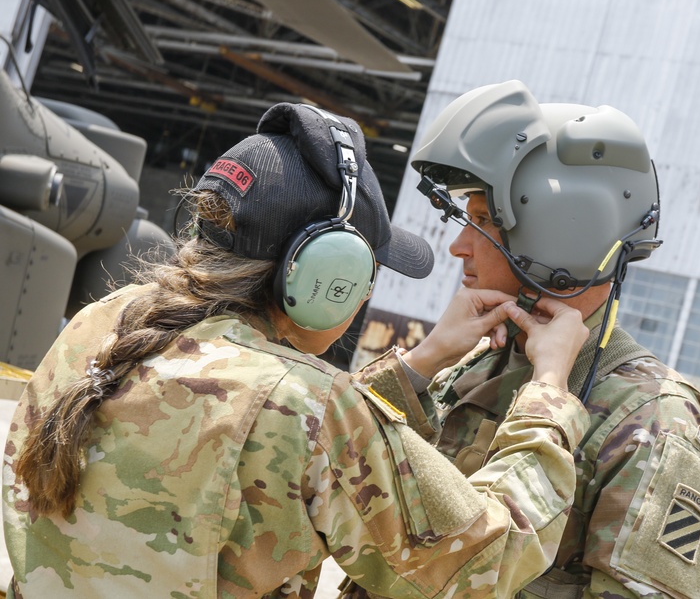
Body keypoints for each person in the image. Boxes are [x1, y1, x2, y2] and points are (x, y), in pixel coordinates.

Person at [1, 102, 592, 598]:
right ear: (325, 275)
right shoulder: (307, 405)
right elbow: (489, 559)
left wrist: (421, 362)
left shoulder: (106, 320)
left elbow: (282, 444)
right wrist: (550, 389)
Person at [345, 80, 700, 599]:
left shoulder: (656, 422)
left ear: (561, 234)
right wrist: (420, 363)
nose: (458, 246)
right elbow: (334, 466)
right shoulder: (478, 366)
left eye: (481, 221)